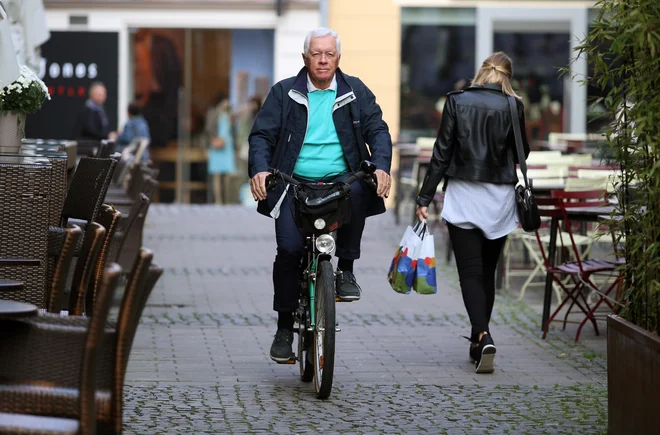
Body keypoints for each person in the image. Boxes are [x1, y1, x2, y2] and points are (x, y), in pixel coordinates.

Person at [248, 27, 393, 363]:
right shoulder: (284, 93)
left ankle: (345, 269)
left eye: (329, 53)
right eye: (317, 53)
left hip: (340, 181)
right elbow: (261, 137)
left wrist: (382, 165)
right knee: (288, 249)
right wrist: (260, 169)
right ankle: (285, 327)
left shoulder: (356, 91)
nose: (323, 60)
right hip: (291, 183)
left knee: (360, 185)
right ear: (305, 58)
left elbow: (378, 130)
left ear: (338, 57)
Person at [415, 52, 530, 374]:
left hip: (464, 194)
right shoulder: (513, 105)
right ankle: (479, 340)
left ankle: (481, 334)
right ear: (507, 76)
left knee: (469, 271)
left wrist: (424, 196)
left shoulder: (457, 101)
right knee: (488, 271)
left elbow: (442, 152)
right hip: (499, 196)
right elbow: (524, 151)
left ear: (481, 72)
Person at [206, 92, 236, 205]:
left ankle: (227, 199)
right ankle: (218, 200)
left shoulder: (229, 114)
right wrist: (213, 140)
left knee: (228, 174)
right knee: (217, 175)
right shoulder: (214, 113)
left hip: (227, 146)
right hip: (217, 144)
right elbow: (209, 129)